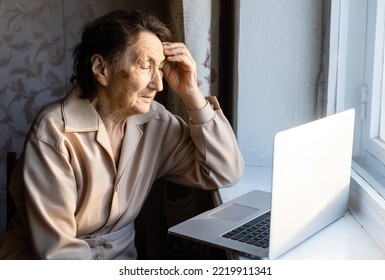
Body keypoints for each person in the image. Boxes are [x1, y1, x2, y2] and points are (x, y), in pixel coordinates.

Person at [0, 9, 244, 260]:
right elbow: (60, 255)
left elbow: (225, 171)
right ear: (101, 69)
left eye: (159, 68)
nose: (158, 85)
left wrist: (192, 95)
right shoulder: (54, 132)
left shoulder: (155, 122)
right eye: (144, 66)